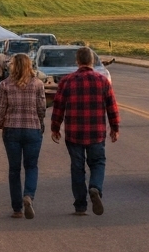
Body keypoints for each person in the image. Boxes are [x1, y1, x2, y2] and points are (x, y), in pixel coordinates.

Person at [51, 47, 119, 217]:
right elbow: (112, 107)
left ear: (77, 61)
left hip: (74, 133)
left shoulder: (67, 81)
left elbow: (58, 107)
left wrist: (55, 127)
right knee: (98, 162)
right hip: (96, 132)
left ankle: (80, 205)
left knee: (77, 167)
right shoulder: (103, 81)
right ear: (92, 61)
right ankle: (95, 187)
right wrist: (115, 128)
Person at [0, 52, 45, 219]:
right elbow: (41, 108)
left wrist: (2, 123)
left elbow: (0, 110)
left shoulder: (5, 85)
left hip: (12, 129)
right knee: (31, 166)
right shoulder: (38, 84)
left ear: (13, 66)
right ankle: (28, 195)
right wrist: (40, 123)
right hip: (32, 129)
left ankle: (17, 208)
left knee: (14, 169)